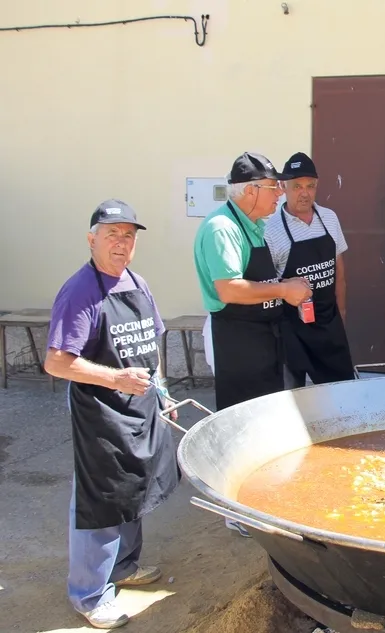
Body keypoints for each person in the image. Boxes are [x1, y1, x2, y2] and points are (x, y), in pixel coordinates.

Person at [44, 200, 180, 629]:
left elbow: (151, 344)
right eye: (112, 234)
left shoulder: (137, 283)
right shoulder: (80, 291)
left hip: (140, 406)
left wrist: (162, 391)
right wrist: (115, 379)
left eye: (128, 235)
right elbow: (56, 362)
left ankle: (123, 567)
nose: (122, 243)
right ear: (92, 239)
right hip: (100, 411)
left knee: (133, 489)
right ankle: (89, 594)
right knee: (101, 498)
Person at [193, 151, 312, 412]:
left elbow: (255, 278)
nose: (280, 193)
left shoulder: (255, 226)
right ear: (250, 190)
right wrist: (283, 290)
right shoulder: (223, 228)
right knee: (244, 418)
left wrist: (285, 283)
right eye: (273, 187)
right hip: (238, 346)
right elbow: (229, 289)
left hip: (263, 341)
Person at [265, 152, 353, 387]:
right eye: (297, 186)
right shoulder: (271, 229)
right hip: (292, 328)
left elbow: (339, 272)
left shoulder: (329, 218)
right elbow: (268, 284)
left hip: (329, 322)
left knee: (340, 391)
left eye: (310, 186)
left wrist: (341, 314)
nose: (304, 193)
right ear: (283, 187)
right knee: (291, 397)